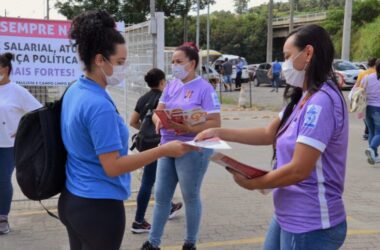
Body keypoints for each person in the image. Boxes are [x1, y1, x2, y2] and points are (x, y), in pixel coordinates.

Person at [196, 24, 348, 250]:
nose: (284, 65)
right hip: (288, 214)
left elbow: (299, 170)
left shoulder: (321, 102)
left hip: (310, 223)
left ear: (308, 53)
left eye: (287, 57)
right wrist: (218, 132)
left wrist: (257, 183)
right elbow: (269, 133)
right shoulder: (304, 97)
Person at [58, 10, 194, 250]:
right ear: (100, 60)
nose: (125, 67)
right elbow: (113, 166)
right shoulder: (99, 105)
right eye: (120, 62)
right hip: (99, 207)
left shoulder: (75, 90)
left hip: (73, 198)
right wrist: (163, 150)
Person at [141, 42, 221, 250]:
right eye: (173, 62)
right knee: (161, 196)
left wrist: (186, 125)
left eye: (179, 62)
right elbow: (159, 113)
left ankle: (190, 242)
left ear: (192, 63)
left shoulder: (205, 88)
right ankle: (153, 242)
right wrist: (160, 122)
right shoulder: (171, 85)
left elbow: (215, 123)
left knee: (190, 195)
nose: (174, 66)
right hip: (168, 146)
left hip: (192, 148)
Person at [129, 68, 183, 234]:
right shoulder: (164, 98)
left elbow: (133, 122)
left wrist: (145, 130)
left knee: (158, 179)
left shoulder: (143, 98)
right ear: (161, 82)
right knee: (149, 181)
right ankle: (138, 221)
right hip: (159, 144)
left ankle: (168, 207)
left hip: (144, 144)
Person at [0, 53, 42, 235]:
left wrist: (23, 131)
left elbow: (38, 113)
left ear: (6, 69)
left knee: (2, 180)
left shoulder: (17, 91)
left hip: (8, 145)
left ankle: (2, 217)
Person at [355, 57, 377, 140]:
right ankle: (369, 132)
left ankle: (367, 132)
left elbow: (357, 86)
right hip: (375, 100)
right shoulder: (377, 73)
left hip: (363, 98)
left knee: (365, 116)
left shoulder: (362, 73)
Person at [363, 59, 380, 165]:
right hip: (378, 108)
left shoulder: (367, 78)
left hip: (368, 108)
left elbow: (362, 90)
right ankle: (372, 148)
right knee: (379, 132)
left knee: (372, 132)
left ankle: (374, 156)